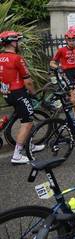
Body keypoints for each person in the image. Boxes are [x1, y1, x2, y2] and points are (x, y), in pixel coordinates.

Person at [0, 31, 44, 164]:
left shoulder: (1, 56)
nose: (18, 43)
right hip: (18, 93)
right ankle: (17, 155)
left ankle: (28, 144)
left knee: (22, 116)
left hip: (6, 92)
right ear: (13, 42)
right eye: (17, 41)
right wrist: (34, 92)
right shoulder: (17, 58)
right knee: (27, 121)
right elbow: (28, 81)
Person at [50, 30, 75, 129]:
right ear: (66, 40)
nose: (72, 42)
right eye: (69, 40)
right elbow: (52, 62)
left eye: (73, 40)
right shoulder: (61, 50)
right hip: (67, 73)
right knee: (73, 96)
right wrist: (58, 67)